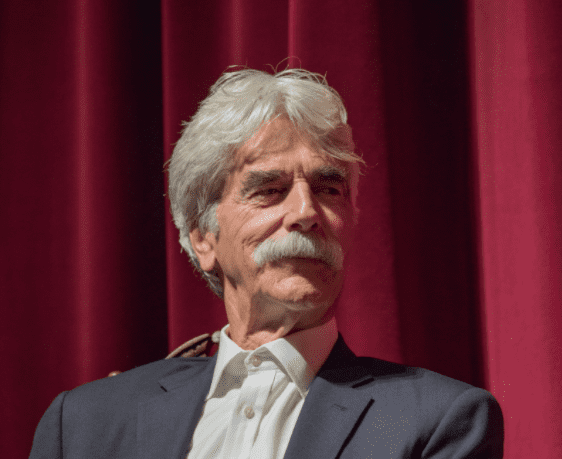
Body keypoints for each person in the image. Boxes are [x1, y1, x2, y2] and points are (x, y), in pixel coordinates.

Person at [29, 68, 504, 458]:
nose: (305, 212)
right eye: (269, 190)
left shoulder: (439, 421)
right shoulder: (85, 424)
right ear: (203, 236)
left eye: (328, 188)